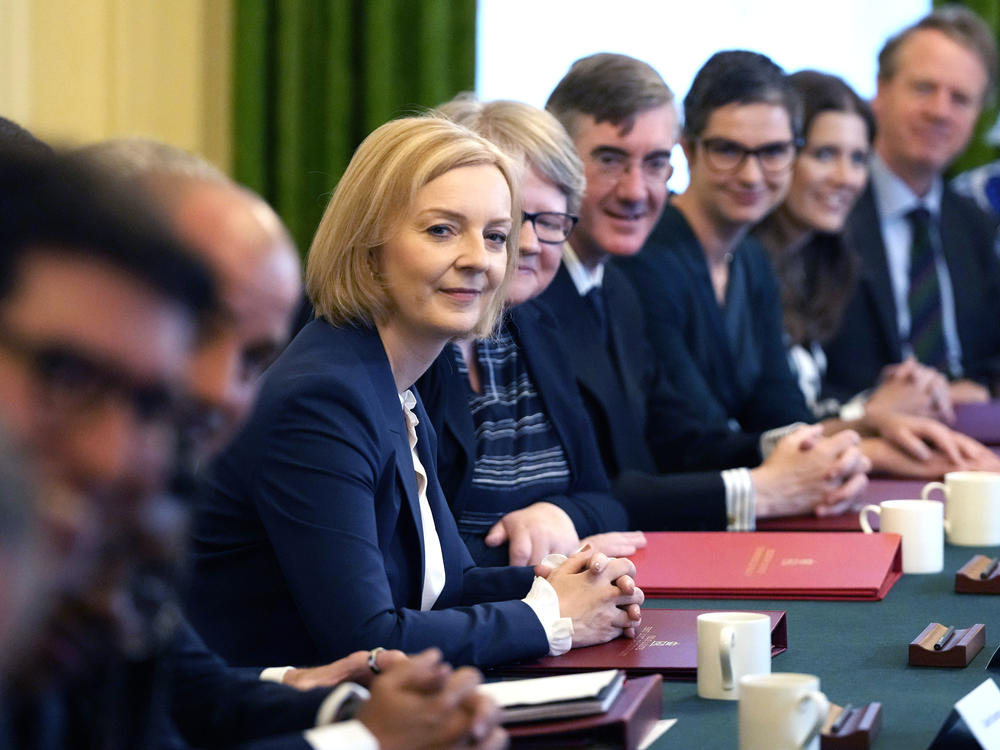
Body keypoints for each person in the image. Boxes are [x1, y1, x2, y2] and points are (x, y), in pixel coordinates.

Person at [73, 138, 509, 750]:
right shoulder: (322, 392)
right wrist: (370, 739)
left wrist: (336, 704)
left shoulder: (118, 491)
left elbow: (192, 689)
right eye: (192, 335)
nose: (226, 394)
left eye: (252, 356)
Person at [188, 116, 643, 671]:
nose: (480, 259)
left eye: (495, 236)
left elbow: (448, 586)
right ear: (369, 245)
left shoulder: (392, 384)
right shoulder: (322, 399)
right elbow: (366, 642)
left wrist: (565, 583)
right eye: (442, 230)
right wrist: (549, 617)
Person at [617, 50, 992, 480]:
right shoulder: (647, 258)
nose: (752, 175)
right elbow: (694, 443)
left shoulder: (750, 262)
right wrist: (869, 443)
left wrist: (867, 427)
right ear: (687, 149)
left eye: (773, 152)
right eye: (727, 150)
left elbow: (781, 417)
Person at [535, 52, 870, 529]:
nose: (636, 191)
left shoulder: (616, 287)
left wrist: (817, 452)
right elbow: (604, 483)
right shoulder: (564, 287)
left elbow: (677, 438)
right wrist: (762, 489)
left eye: (654, 163)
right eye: (610, 160)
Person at [416, 95, 643, 566]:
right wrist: (549, 561)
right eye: (510, 221)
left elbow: (607, 502)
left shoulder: (536, 325)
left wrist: (557, 516)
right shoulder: (415, 343)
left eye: (551, 222)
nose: (530, 244)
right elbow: (412, 558)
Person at [753, 70, 959, 426]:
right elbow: (760, 430)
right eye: (824, 154)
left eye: (858, 159)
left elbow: (807, 407)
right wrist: (871, 413)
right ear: (777, 154)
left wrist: (885, 395)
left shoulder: (819, 262)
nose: (845, 177)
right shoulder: (740, 265)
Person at [823, 7, 1000, 403]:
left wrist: (978, 388)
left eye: (961, 99)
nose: (940, 111)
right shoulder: (826, 212)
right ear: (880, 91)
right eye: (924, 88)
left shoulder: (976, 225)